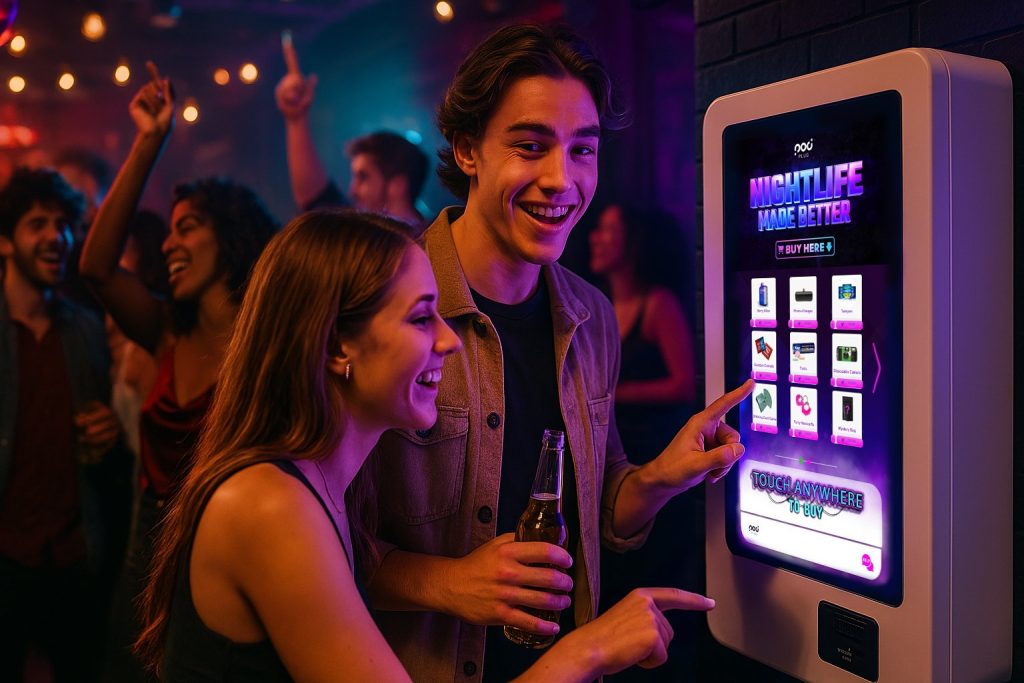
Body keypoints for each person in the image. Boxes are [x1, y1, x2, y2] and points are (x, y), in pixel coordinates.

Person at [134, 209, 713, 682]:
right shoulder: (269, 505)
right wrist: (591, 649)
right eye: (420, 318)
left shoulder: (317, 486)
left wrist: (660, 477)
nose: (448, 341)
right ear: (336, 347)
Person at [359, 23, 754, 681]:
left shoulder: (591, 314)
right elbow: (318, 539)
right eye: (530, 146)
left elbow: (601, 509)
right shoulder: (386, 299)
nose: (561, 179)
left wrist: (660, 476)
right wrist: (449, 582)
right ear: (467, 149)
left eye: (582, 150)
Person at [79, 62, 279, 681]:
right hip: (147, 541)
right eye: (168, 232)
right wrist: (149, 141)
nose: (168, 244)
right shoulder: (167, 329)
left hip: (227, 548)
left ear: (232, 236)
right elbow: (96, 268)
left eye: (187, 228)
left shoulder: (269, 342)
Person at [0, 167, 121, 682]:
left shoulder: (87, 330)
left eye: (64, 224)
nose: (57, 237)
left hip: (73, 555)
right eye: (38, 224)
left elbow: (104, 443)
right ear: (5, 241)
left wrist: (110, 432)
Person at [589, 203, 700, 681]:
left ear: (634, 242)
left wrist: (611, 394)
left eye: (609, 229)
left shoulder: (658, 304)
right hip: (614, 458)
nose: (595, 237)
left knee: (654, 573)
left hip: (653, 457)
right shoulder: (594, 306)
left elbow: (684, 384)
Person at [274, 36, 430, 231]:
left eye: (363, 177)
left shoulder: (431, 242)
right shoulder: (359, 234)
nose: (352, 190)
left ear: (397, 186)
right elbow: (314, 198)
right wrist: (296, 119)